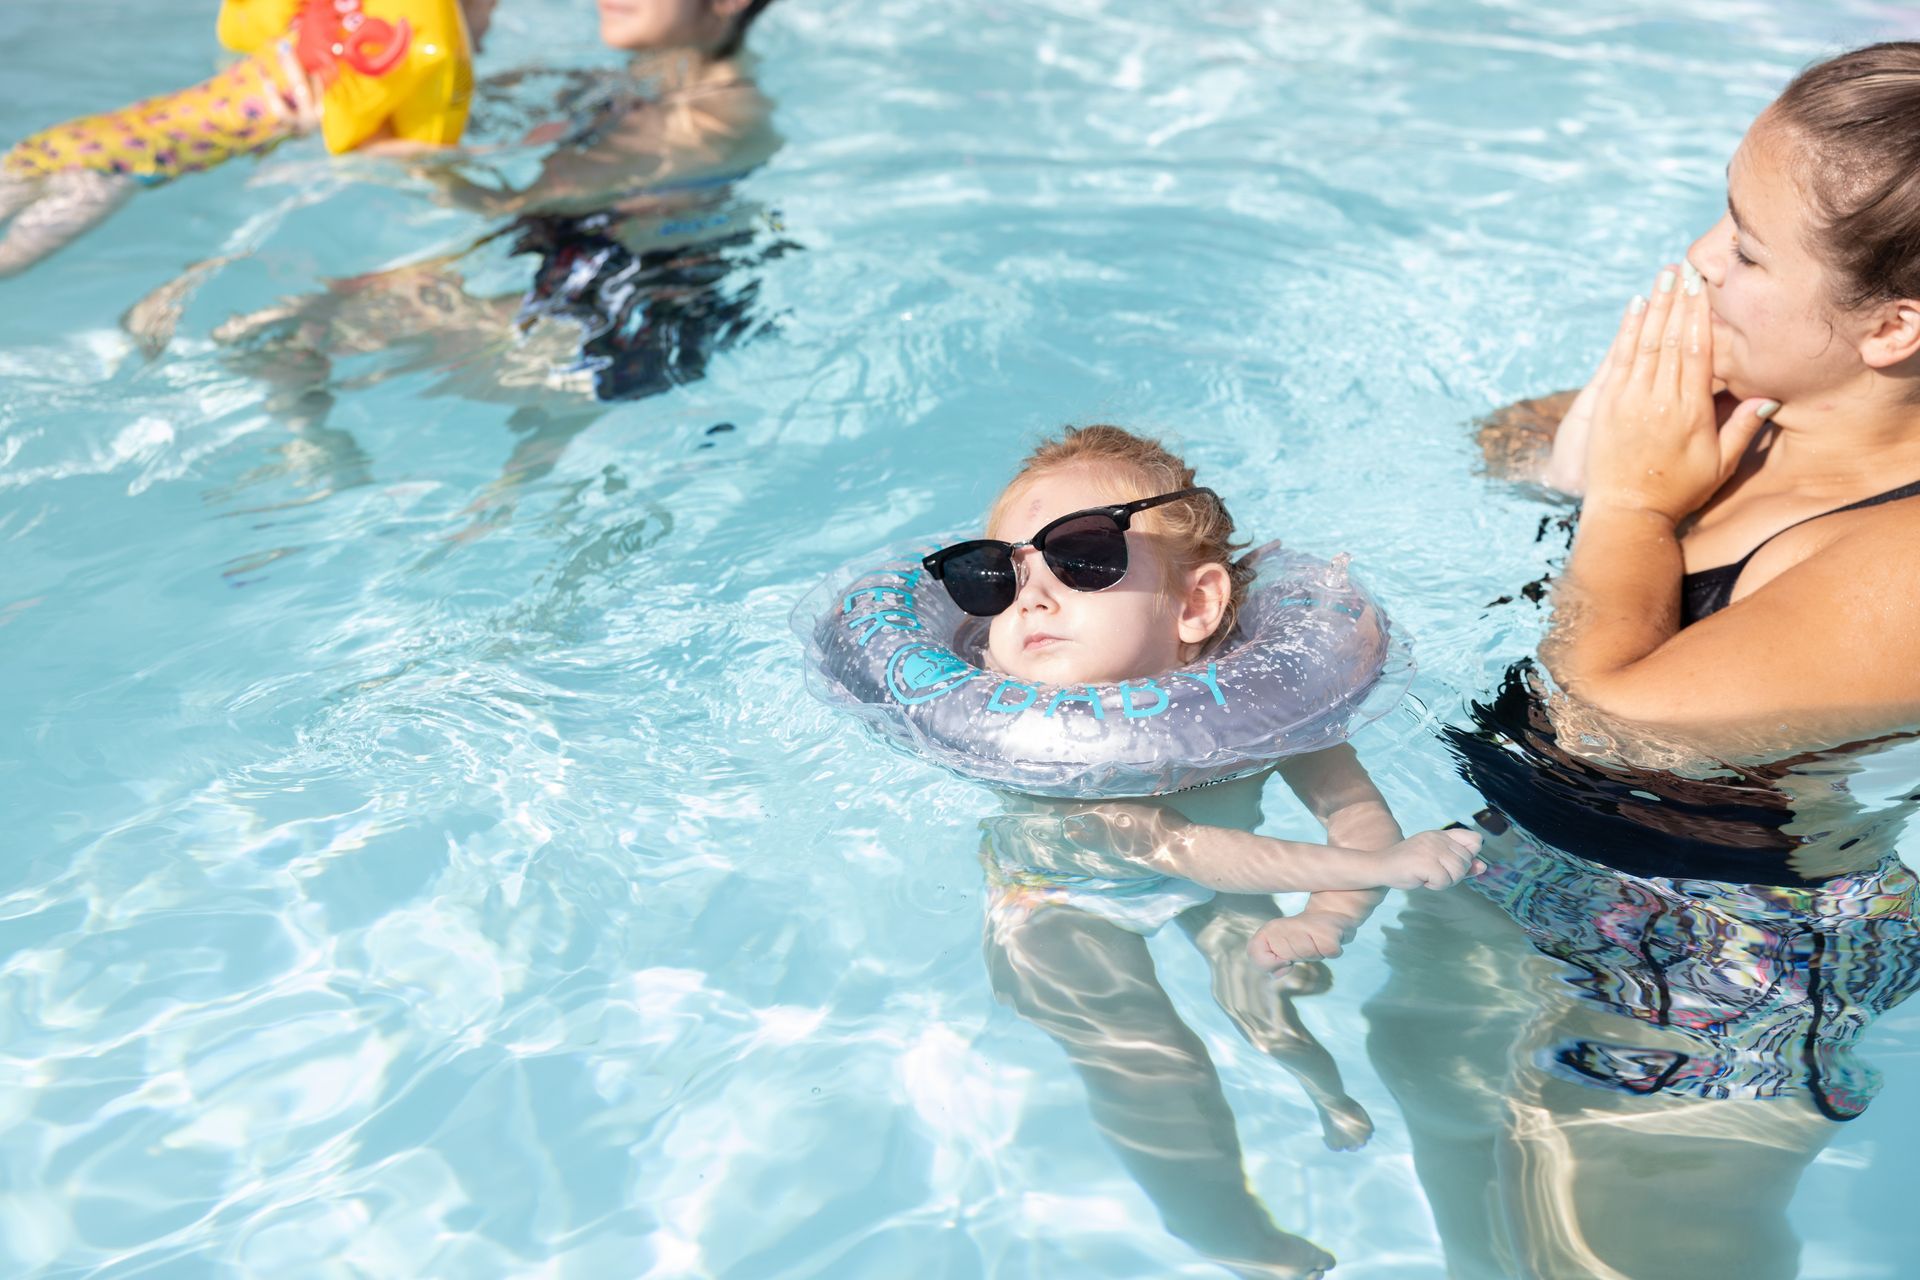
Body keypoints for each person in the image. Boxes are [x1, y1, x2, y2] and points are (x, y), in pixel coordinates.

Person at [1372, 43, 1920, 1279]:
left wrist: (1627, 505)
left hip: (1732, 957)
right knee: (1464, 1175)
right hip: (1521, 857)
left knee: (1618, 1249)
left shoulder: (1903, 554)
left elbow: (1616, 722)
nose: (1698, 265)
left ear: (1892, 326)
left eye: (1746, 247)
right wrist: (1592, 457)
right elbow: (1505, 446)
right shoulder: (1755, 391)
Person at [946, 425, 1481, 1279]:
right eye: (996, 576)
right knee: (1154, 1064)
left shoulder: (1257, 703)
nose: (1032, 599)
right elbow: (1177, 847)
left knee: (1273, 997)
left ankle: (1321, 1090)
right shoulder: (1028, 734)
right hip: (1053, 902)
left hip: (1228, 874)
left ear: (1194, 607)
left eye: (1083, 558)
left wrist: (1330, 920)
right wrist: (1373, 873)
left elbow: (1356, 817)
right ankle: (1217, 1223)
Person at [144, 0, 790, 527]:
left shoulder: (717, 116)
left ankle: (326, 469)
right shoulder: (625, 86)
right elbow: (472, 115)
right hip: (588, 308)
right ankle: (329, 460)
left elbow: (501, 202)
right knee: (301, 322)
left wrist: (371, 146)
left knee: (275, 333)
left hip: (618, 348)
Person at [0, 0, 490, 276]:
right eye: (489, 9)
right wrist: (477, 159)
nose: (489, 23)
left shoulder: (304, 37)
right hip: (105, 175)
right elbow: (365, 150)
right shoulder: (361, 76)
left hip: (75, 141)